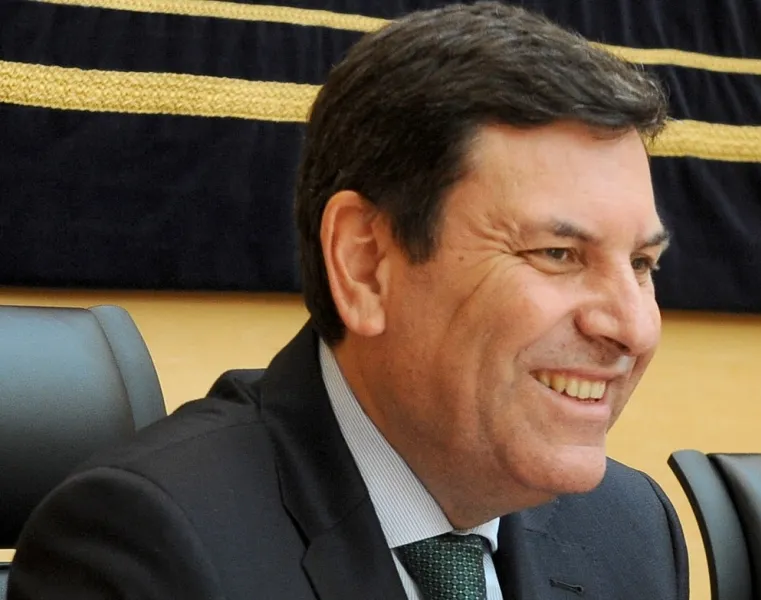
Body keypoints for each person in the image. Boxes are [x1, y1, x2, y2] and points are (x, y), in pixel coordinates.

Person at [8, 2, 688, 599]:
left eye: (641, 264)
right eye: (558, 254)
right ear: (365, 265)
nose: (630, 327)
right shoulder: (150, 546)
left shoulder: (629, 530)